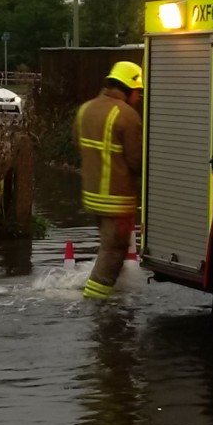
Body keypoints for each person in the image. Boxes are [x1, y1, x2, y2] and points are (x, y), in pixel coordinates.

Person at [75, 60, 143, 300]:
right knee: (113, 252)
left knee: (109, 248)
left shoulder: (85, 109)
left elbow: (79, 146)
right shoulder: (127, 115)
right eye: (138, 93)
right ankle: (97, 304)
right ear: (128, 88)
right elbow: (137, 162)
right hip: (116, 198)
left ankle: (115, 291)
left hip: (92, 195)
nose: (138, 98)